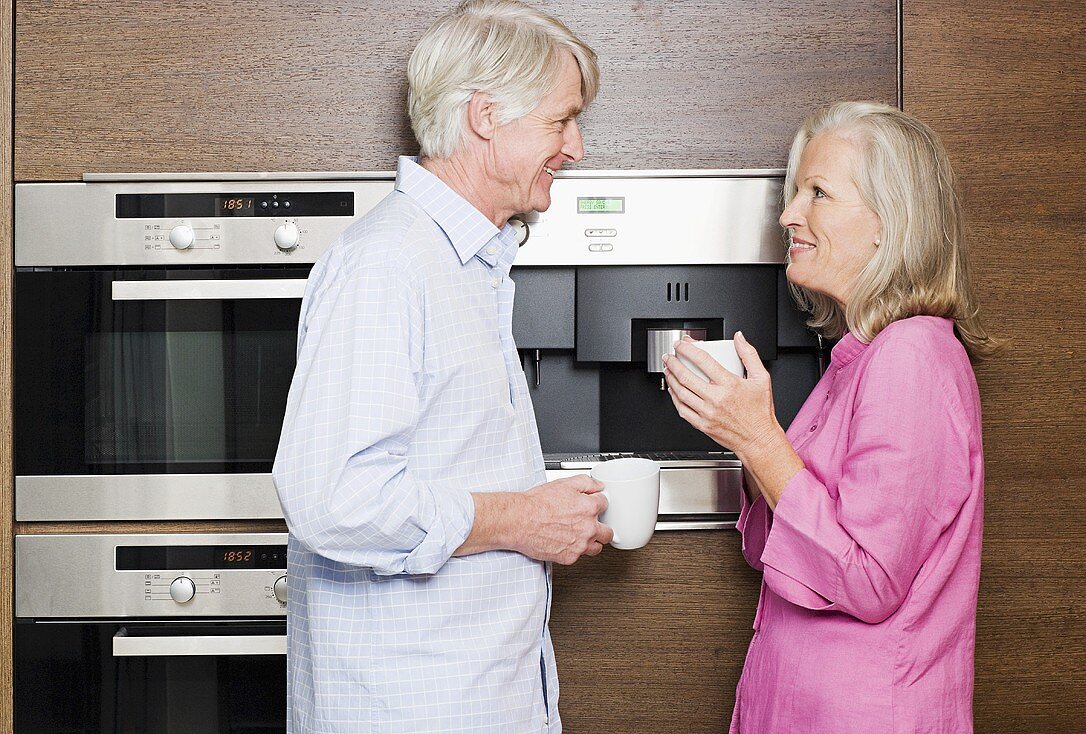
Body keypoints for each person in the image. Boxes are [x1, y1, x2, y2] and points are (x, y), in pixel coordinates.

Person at [273, 2, 612, 732]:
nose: (577, 147)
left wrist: (545, 516)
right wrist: (523, 519)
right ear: (486, 116)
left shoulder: (466, 266)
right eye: (561, 121)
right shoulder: (388, 264)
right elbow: (334, 497)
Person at [662, 101, 998, 733]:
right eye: (796, 193)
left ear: (888, 222)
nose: (790, 214)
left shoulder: (913, 357)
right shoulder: (860, 357)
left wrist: (758, 438)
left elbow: (868, 579)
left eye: (818, 193)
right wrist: (744, 434)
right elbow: (782, 554)